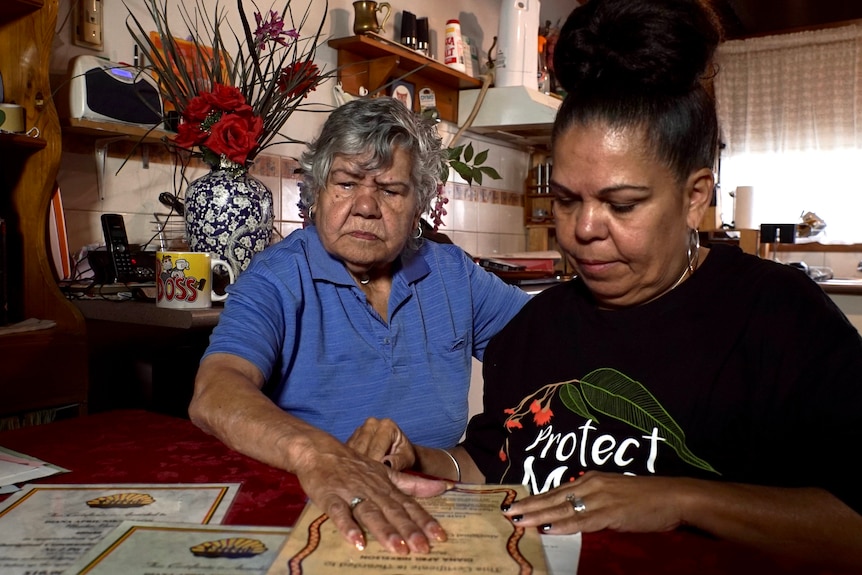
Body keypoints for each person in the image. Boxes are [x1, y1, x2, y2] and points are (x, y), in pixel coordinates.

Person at [346, 0, 862, 569]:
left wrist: (680, 498)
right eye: (567, 200)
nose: (584, 229)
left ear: (695, 196)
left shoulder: (778, 318)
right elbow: (496, 459)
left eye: (621, 204)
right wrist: (423, 459)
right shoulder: (535, 330)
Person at [188, 97, 530, 555]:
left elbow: (548, 347)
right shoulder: (275, 278)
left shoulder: (453, 275)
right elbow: (215, 391)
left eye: (390, 190)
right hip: (312, 509)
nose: (366, 206)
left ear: (418, 206)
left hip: (434, 512)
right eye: (347, 183)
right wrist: (320, 456)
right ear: (317, 191)